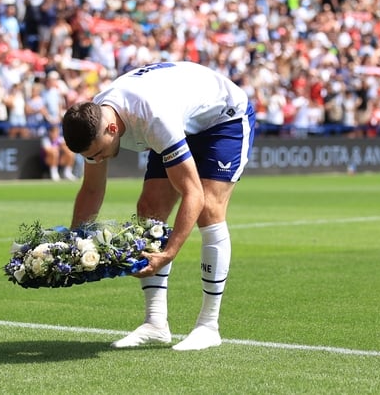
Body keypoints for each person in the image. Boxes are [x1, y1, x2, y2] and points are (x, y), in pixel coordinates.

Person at [62, 61, 256, 351]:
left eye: (100, 152)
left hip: (222, 119)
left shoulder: (152, 118)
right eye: (93, 157)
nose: (98, 160)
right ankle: (155, 324)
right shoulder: (94, 120)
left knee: (208, 209)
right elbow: (91, 189)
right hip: (181, 117)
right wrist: (75, 242)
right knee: (150, 209)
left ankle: (208, 325)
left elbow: (193, 194)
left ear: (112, 128)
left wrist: (168, 253)